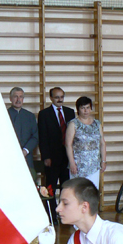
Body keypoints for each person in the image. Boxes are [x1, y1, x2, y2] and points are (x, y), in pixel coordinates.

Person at [38, 87, 75, 216]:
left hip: (67, 158)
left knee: (67, 188)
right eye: (57, 97)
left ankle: (65, 213)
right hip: (52, 158)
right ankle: (51, 214)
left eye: (62, 97)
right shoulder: (44, 114)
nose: (60, 99)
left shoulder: (70, 112)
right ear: (51, 98)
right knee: (50, 187)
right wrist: (46, 156)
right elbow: (42, 137)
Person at [65, 96, 106, 188]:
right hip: (78, 165)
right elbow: (68, 144)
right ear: (78, 109)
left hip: (94, 165)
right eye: (83, 108)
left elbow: (102, 143)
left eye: (88, 107)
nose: (85, 110)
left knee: (92, 191)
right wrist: (72, 163)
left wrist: (103, 161)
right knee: (78, 193)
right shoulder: (73, 124)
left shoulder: (97, 123)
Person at [7, 87, 38, 176]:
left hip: (27, 157)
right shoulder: (4, 115)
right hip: (10, 156)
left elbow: (35, 137)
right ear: (10, 98)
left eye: (21, 97)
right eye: (15, 97)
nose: (18, 99)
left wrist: (25, 150)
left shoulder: (30, 116)